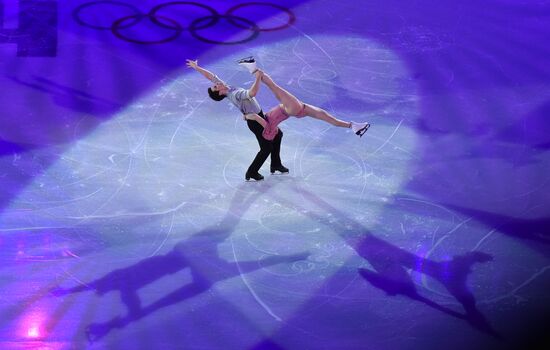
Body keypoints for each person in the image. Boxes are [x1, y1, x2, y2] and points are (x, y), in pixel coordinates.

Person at [186, 59, 289, 181]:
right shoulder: (235, 94)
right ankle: (252, 172)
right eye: (215, 86)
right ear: (219, 92)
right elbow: (253, 93)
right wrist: (258, 77)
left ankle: (275, 164)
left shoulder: (227, 88)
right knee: (266, 148)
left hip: (260, 115)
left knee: (278, 135)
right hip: (255, 122)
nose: (216, 83)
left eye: (215, 84)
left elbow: (210, 76)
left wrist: (196, 67)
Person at [237, 57, 370, 141]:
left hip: (298, 110)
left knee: (328, 118)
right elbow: (255, 117)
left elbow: (258, 118)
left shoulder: (267, 123)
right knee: (273, 86)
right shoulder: (267, 128)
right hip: (291, 108)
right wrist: (247, 117)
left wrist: (248, 118)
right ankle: (253, 68)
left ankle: (353, 126)